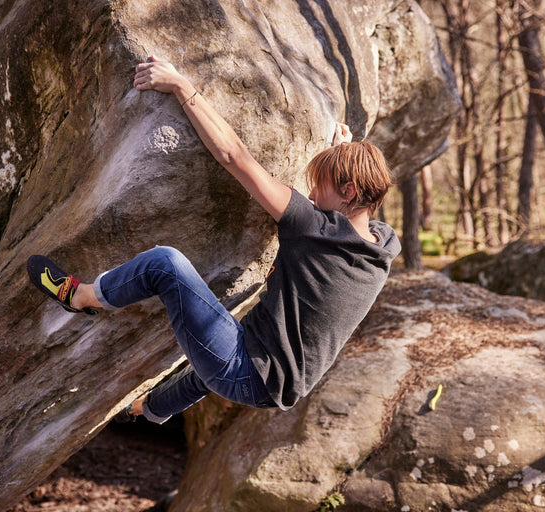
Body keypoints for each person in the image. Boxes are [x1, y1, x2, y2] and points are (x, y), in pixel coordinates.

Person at [27, 56, 401, 424]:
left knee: (166, 265)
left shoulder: (313, 227)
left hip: (250, 372)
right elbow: (351, 212)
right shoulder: (381, 245)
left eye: (321, 187)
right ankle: (150, 410)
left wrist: (180, 85)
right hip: (276, 378)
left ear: (350, 191)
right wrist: (344, 153)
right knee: (218, 348)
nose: (314, 196)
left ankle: (79, 297)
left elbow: (232, 155)